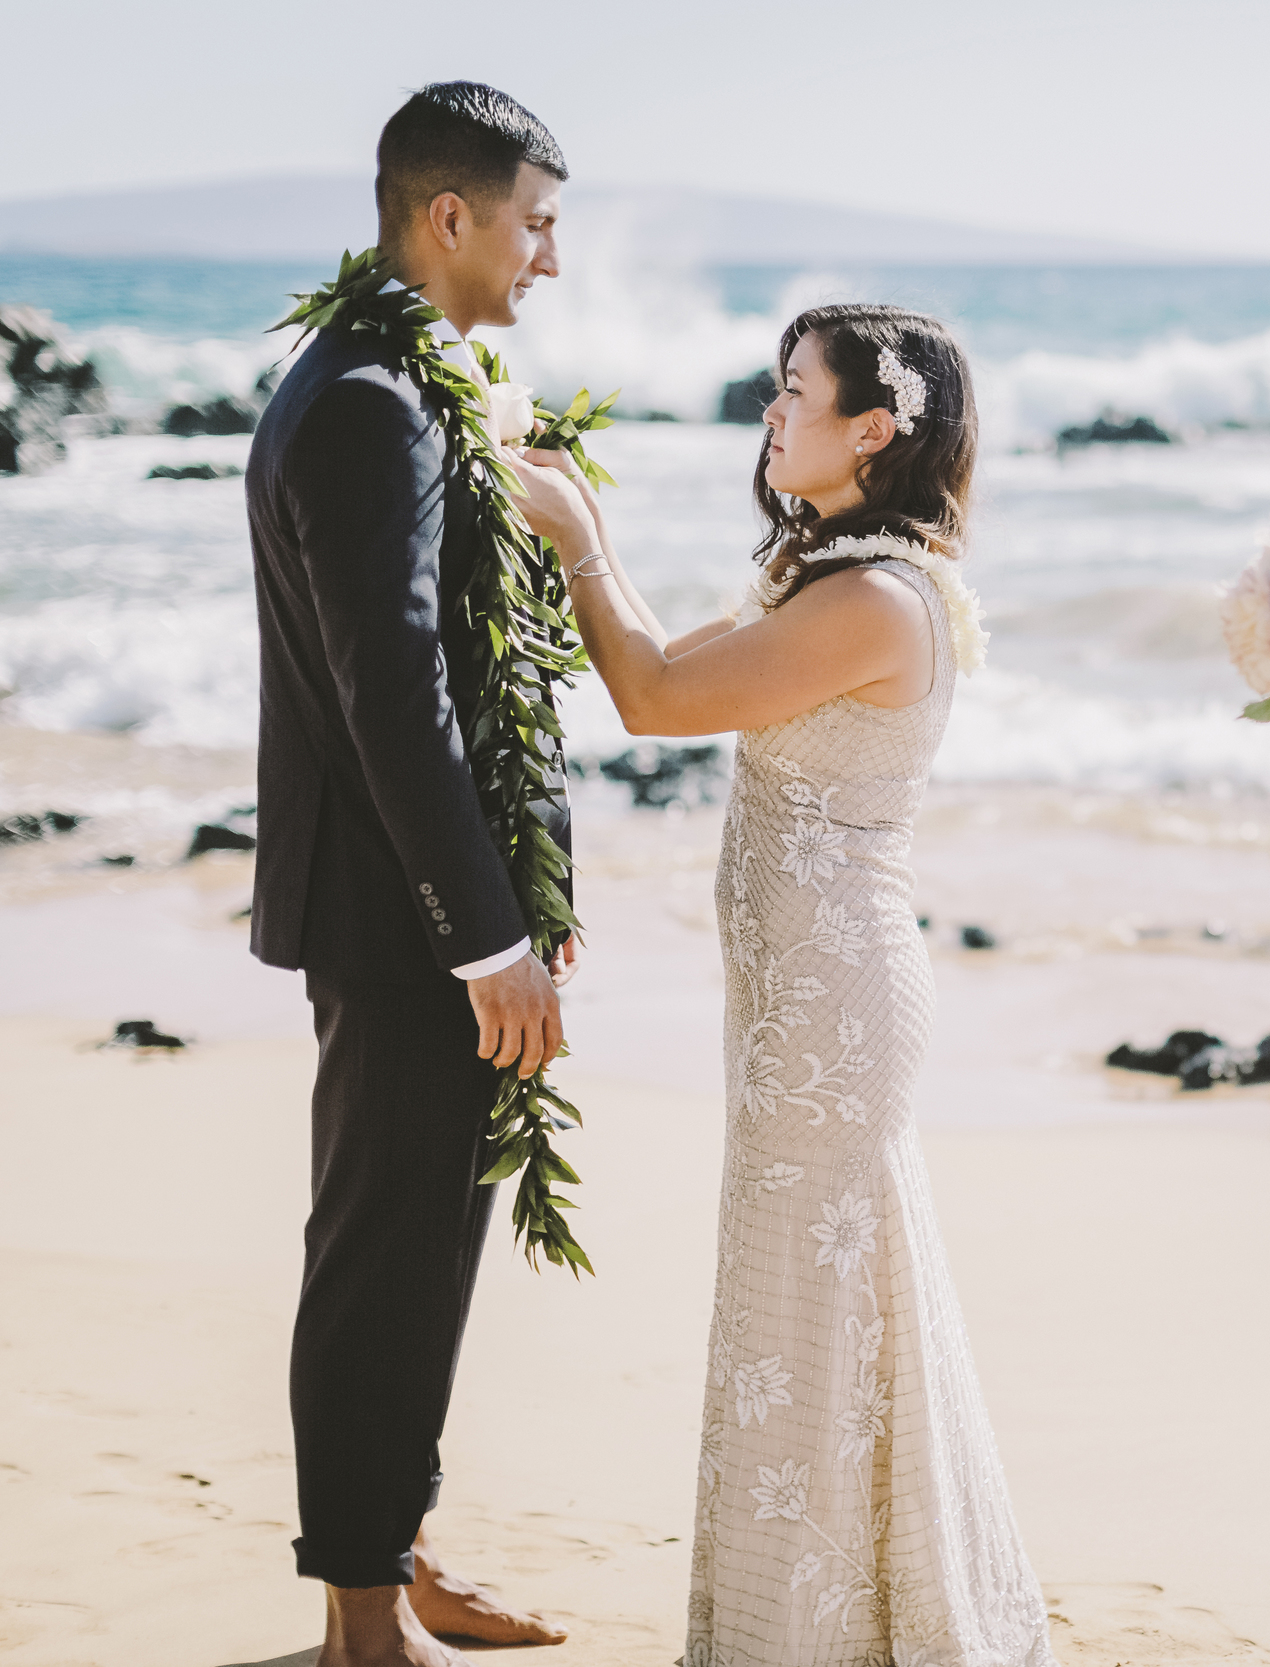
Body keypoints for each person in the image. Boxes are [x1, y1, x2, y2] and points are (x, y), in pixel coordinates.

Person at [506, 305, 1056, 1667]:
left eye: (794, 393)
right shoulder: (830, 571)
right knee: (819, 1301)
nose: (771, 414)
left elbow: (650, 698)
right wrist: (574, 541)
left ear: (875, 426)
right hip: (798, 999)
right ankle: (832, 1611)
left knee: (813, 1309)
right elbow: (663, 662)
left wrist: (581, 534)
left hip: (832, 1011)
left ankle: (832, 1629)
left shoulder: (871, 598)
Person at [245, 83, 579, 1666]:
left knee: (426, 1242)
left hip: (414, 912)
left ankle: (399, 1551)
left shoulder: (397, 377)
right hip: (398, 923)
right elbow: (395, 692)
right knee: (382, 1249)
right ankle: (361, 1620)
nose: (550, 259)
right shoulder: (373, 401)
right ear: (449, 219)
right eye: (536, 221)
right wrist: (485, 937)